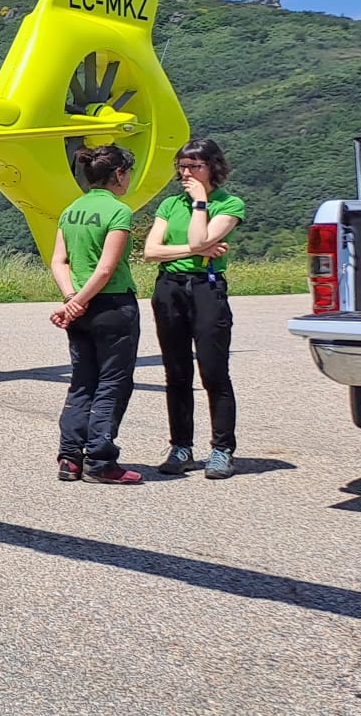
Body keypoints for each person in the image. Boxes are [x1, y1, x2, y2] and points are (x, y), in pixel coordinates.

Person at [143, 138, 244, 479]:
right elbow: (151, 251)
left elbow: (204, 241)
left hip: (207, 287)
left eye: (194, 166)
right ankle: (181, 446)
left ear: (213, 167)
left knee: (214, 371)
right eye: (182, 166)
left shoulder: (229, 204)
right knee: (176, 371)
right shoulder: (170, 204)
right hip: (169, 288)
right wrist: (195, 249)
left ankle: (222, 449)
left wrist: (201, 204)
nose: (186, 173)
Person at [49, 145, 144, 485]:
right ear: (118, 174)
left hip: (80, 310)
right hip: (113, 305)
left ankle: (69, 457)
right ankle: (101, 460)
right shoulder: (119, 212)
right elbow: (106, 269)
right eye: (127, 173)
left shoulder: (70, 210)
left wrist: (72, 300)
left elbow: (58, 261)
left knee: (82, 381)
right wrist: (81, 300)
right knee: (112, 383)